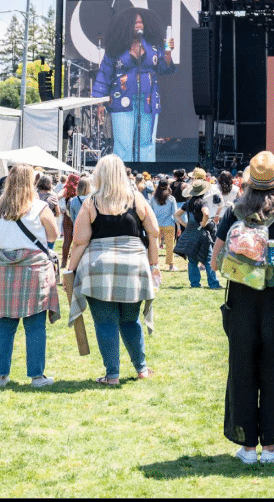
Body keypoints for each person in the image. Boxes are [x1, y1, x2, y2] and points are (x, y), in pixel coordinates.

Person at [210, 151, 274, 465]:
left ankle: (247, 447)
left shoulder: (233, 212)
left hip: (240, 304)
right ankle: (270, 448)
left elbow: (214, 261)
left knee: (241, 372)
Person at [66, 154, 161, 385]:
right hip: (134, 266)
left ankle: (112, 375)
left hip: (98, 268)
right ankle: (142, 369)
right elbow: (154, 232)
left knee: (105, 322)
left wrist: (70, 270)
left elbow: (80, 241)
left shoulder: (92, 202)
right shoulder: (137, 199)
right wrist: (154, 264)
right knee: (130, 320)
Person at [0, 163, 61, 389]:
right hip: (33, 269)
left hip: (3, 269)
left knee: (5, 325)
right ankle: (37, 376)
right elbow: (54, 234)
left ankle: (1, 377)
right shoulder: (39, 207)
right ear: (31, 182)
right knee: (35, 325)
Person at [91, 7, 176, 162]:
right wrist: (99, 103)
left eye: (141, 21)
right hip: (121, 99)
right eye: (135, 22)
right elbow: (104, 74)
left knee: (147, 143)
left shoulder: (153, 46)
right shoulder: (115, 47)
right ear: (127, 24)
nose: (139, 24)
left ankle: (145, 176)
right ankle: (121, 177)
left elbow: (164, 69)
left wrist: (168, 53)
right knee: (123, 143)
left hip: (148, 100)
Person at [174, 178, 221, 289]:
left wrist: (185, 225)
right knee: (208, 259)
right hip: (202, 233)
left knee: (192, 260)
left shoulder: (188, 202)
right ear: (203, 191)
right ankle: (213, 284)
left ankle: (195, 284)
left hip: (190, 233)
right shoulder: (202, 202)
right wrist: (204, 223)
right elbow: (206, 213)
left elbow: (176, 215)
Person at [148, 178, 179, 272]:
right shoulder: (171, 198)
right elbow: (175, 213)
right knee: (170, 245)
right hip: (169, 224)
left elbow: (150, 211)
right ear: (167, 186)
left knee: (154, 245)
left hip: (156, 224)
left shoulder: (153, 198)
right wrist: (179, 226)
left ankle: (154, 264)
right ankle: (171, 265)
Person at [59, 173, 80, 269]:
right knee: (78, 241)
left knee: (66, 240)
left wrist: (60, 208)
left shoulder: (66, 189)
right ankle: (74, 262)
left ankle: (63, 262)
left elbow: (57, 197)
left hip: (67, 216)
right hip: (78, 216)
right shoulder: (80, 189)